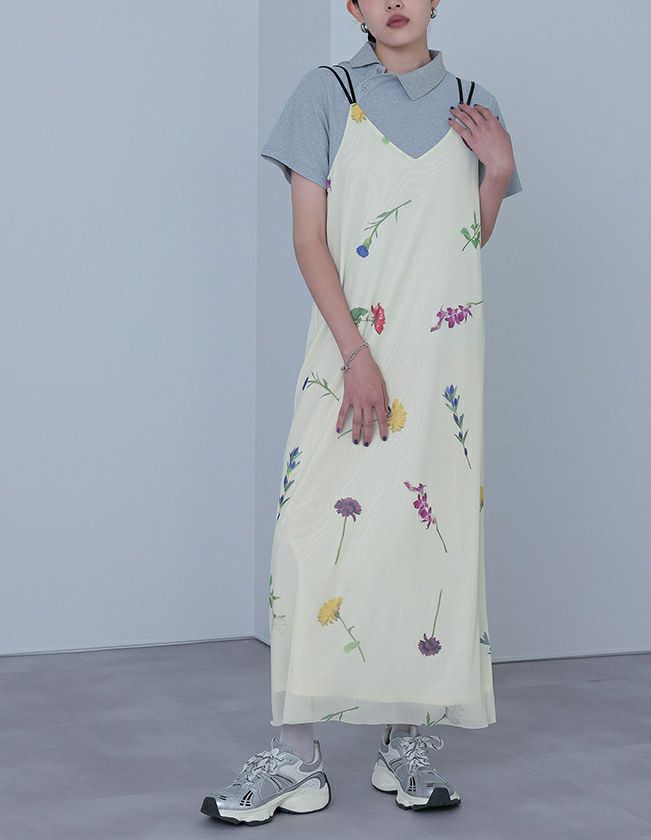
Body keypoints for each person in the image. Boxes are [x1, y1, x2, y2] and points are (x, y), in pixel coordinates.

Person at [200, 0, 522, 825]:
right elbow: (309, 240)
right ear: (353, 7)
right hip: (350, 358)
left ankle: (400, 744)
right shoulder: (325, 93)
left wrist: (495, 175)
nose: (395, 3)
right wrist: (355, 355)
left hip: (441, 366)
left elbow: (464, 243)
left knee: (418, 545)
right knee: (308, 537)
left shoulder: (475, 103)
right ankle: (296, 757)